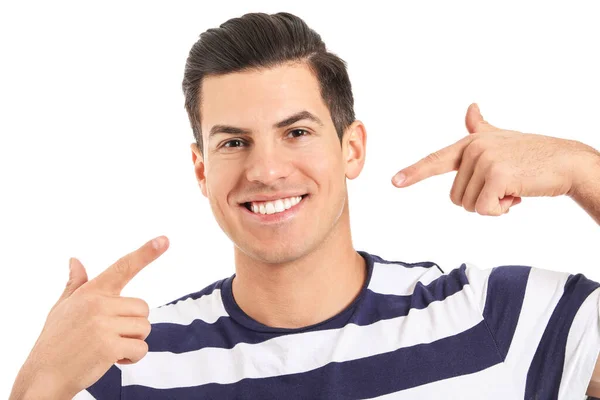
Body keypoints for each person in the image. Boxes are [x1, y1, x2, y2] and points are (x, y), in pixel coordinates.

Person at [9, 11, 600, 400]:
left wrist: (582, 171)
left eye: (296, 132)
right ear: (200, 169)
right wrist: (38, 384)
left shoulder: (494, 318)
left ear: (352, 148)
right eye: (234, 142)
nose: (265, 170)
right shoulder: (127, 365)